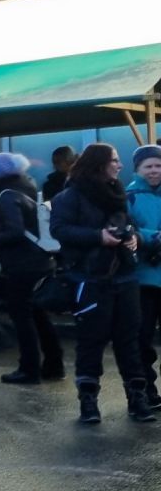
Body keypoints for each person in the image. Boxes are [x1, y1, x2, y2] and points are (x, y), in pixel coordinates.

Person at [50, 142, 151, 425]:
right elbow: (59, 229)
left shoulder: (117, 192)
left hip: (125, 275)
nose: (119, 165)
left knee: (129, 339)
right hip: (90, 278)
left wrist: (133, 237)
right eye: (114, 160)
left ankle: (137, 399)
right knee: (91, 341)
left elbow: (128, 224)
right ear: (99, 163)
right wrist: (98, 237)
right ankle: (89, 402)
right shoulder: (71, 195)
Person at [0, 152, 64, 386]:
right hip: (40, 259)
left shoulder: (6, 196)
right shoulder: (27, 188)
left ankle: (29, 369)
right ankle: (54, 364)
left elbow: (15, 232)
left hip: (21, 264)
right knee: (38, 314)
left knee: (22, 315)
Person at [126, 145, 161, 410]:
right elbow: (128, 230)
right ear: (137, 169)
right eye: (148, 166)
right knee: (142, 338)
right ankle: (146, 390)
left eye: (158, 165)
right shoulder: (128, 196)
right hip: (143, 279)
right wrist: (155, 237)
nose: (154, 170)